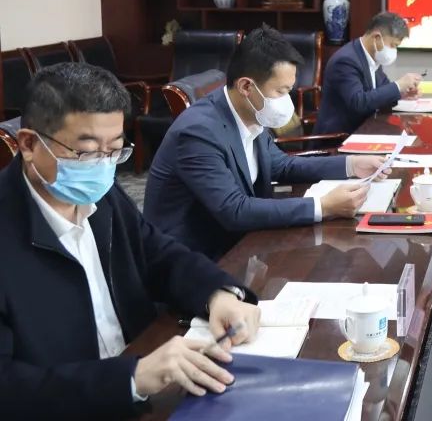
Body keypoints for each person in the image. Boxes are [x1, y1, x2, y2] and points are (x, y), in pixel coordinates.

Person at [0, 63, 262, 418]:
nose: (102, 166)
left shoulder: (101, 195)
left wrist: (218, 294)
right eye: (87, 152)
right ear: (29, 144)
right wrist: (131, 379)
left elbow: (159, 254)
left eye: (115, 151)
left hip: (147, 391)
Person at [145, 25, 388, 260]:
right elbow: (234, 210)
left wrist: (350, 164)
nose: (286, 101)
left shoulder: (249, 111)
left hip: (240, 241)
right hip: (194, 259)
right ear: (246, 86)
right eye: (280, 92)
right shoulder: (198, 132)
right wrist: (323, 206)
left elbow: (282, 165)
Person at [315, 12, 424, 134]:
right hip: (340, 137)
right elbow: (358, 103)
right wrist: (398, 86)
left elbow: (380, 94)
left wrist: (402, 93)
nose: (394, 51)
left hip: (366, 130)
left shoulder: (372, 57)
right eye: (393, 45)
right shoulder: (346, 61)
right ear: (377, 38)